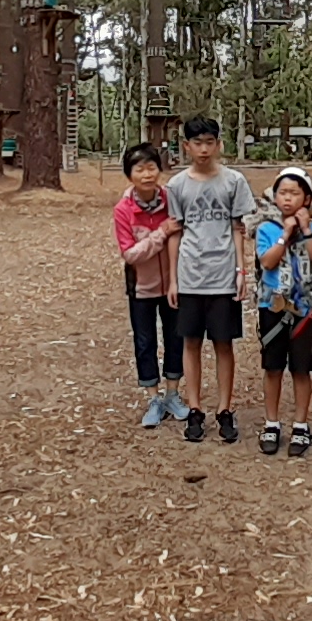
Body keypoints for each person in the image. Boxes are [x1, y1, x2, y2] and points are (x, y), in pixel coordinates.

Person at [163, 114, 258, 443]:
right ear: (186, 146)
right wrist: (173, 279)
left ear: (219, 144)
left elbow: (238, 229)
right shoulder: (177, 185)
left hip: (223, 275)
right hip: (191, 274)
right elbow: (175, 232)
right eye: (197, 143)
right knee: (190, 342)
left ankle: (224, 409)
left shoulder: (234, 181)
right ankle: (194, 409)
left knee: (223, 342)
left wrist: (241, 271)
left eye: (209, 142)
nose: (203, 149)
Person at [254, 166, 312, 457]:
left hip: (305, 308)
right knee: (273, 367)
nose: (287, 198)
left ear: (306, 198)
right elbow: (267, 262)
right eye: (282, 193)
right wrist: (285, 234)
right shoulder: (266, 228)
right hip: (272, 304)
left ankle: (301, 424)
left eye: (294, 193)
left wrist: (306, 230)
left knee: (301, 368)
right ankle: (271, 422)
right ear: (274, 197)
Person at [115, 143, 186, 426]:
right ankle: (153, 398)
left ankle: (173, 394)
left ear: (159, 169)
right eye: (139, 169)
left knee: (176, 338)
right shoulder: (124, 210)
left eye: (151, 167)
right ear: (129, 175)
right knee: (145, 341)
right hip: (141, 286)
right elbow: (130, 254)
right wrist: (160, 233)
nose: (147, 174)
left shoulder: (172, 200)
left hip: (173, 284)